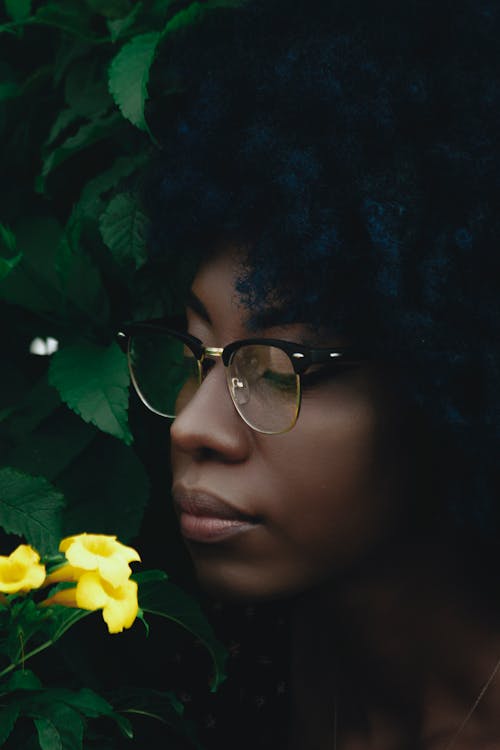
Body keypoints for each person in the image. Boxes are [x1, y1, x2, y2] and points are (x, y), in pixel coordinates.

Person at [124, 0, 500, 746]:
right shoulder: (222, 671)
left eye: (279, 368)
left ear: (452, 388)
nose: (192, 426)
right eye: (198, 352)